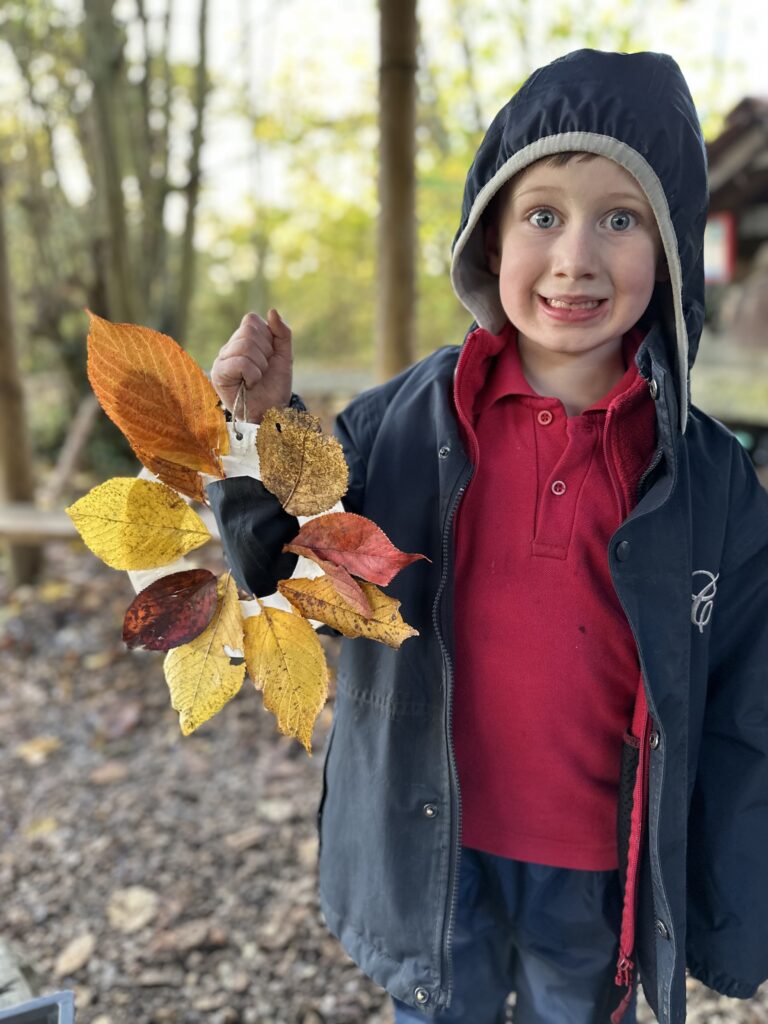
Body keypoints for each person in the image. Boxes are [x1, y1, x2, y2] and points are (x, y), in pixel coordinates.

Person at [208, 49, 768, 1024]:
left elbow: (746, 709)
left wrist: (733, 906)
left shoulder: (711, 479)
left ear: (674, 247)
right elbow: (304, 585)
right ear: (490, 236)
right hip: (434, 855)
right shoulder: (403, 427)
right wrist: (260, 434)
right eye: (542, 214)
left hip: (601, 879)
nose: (575, 257)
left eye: (621, 219)